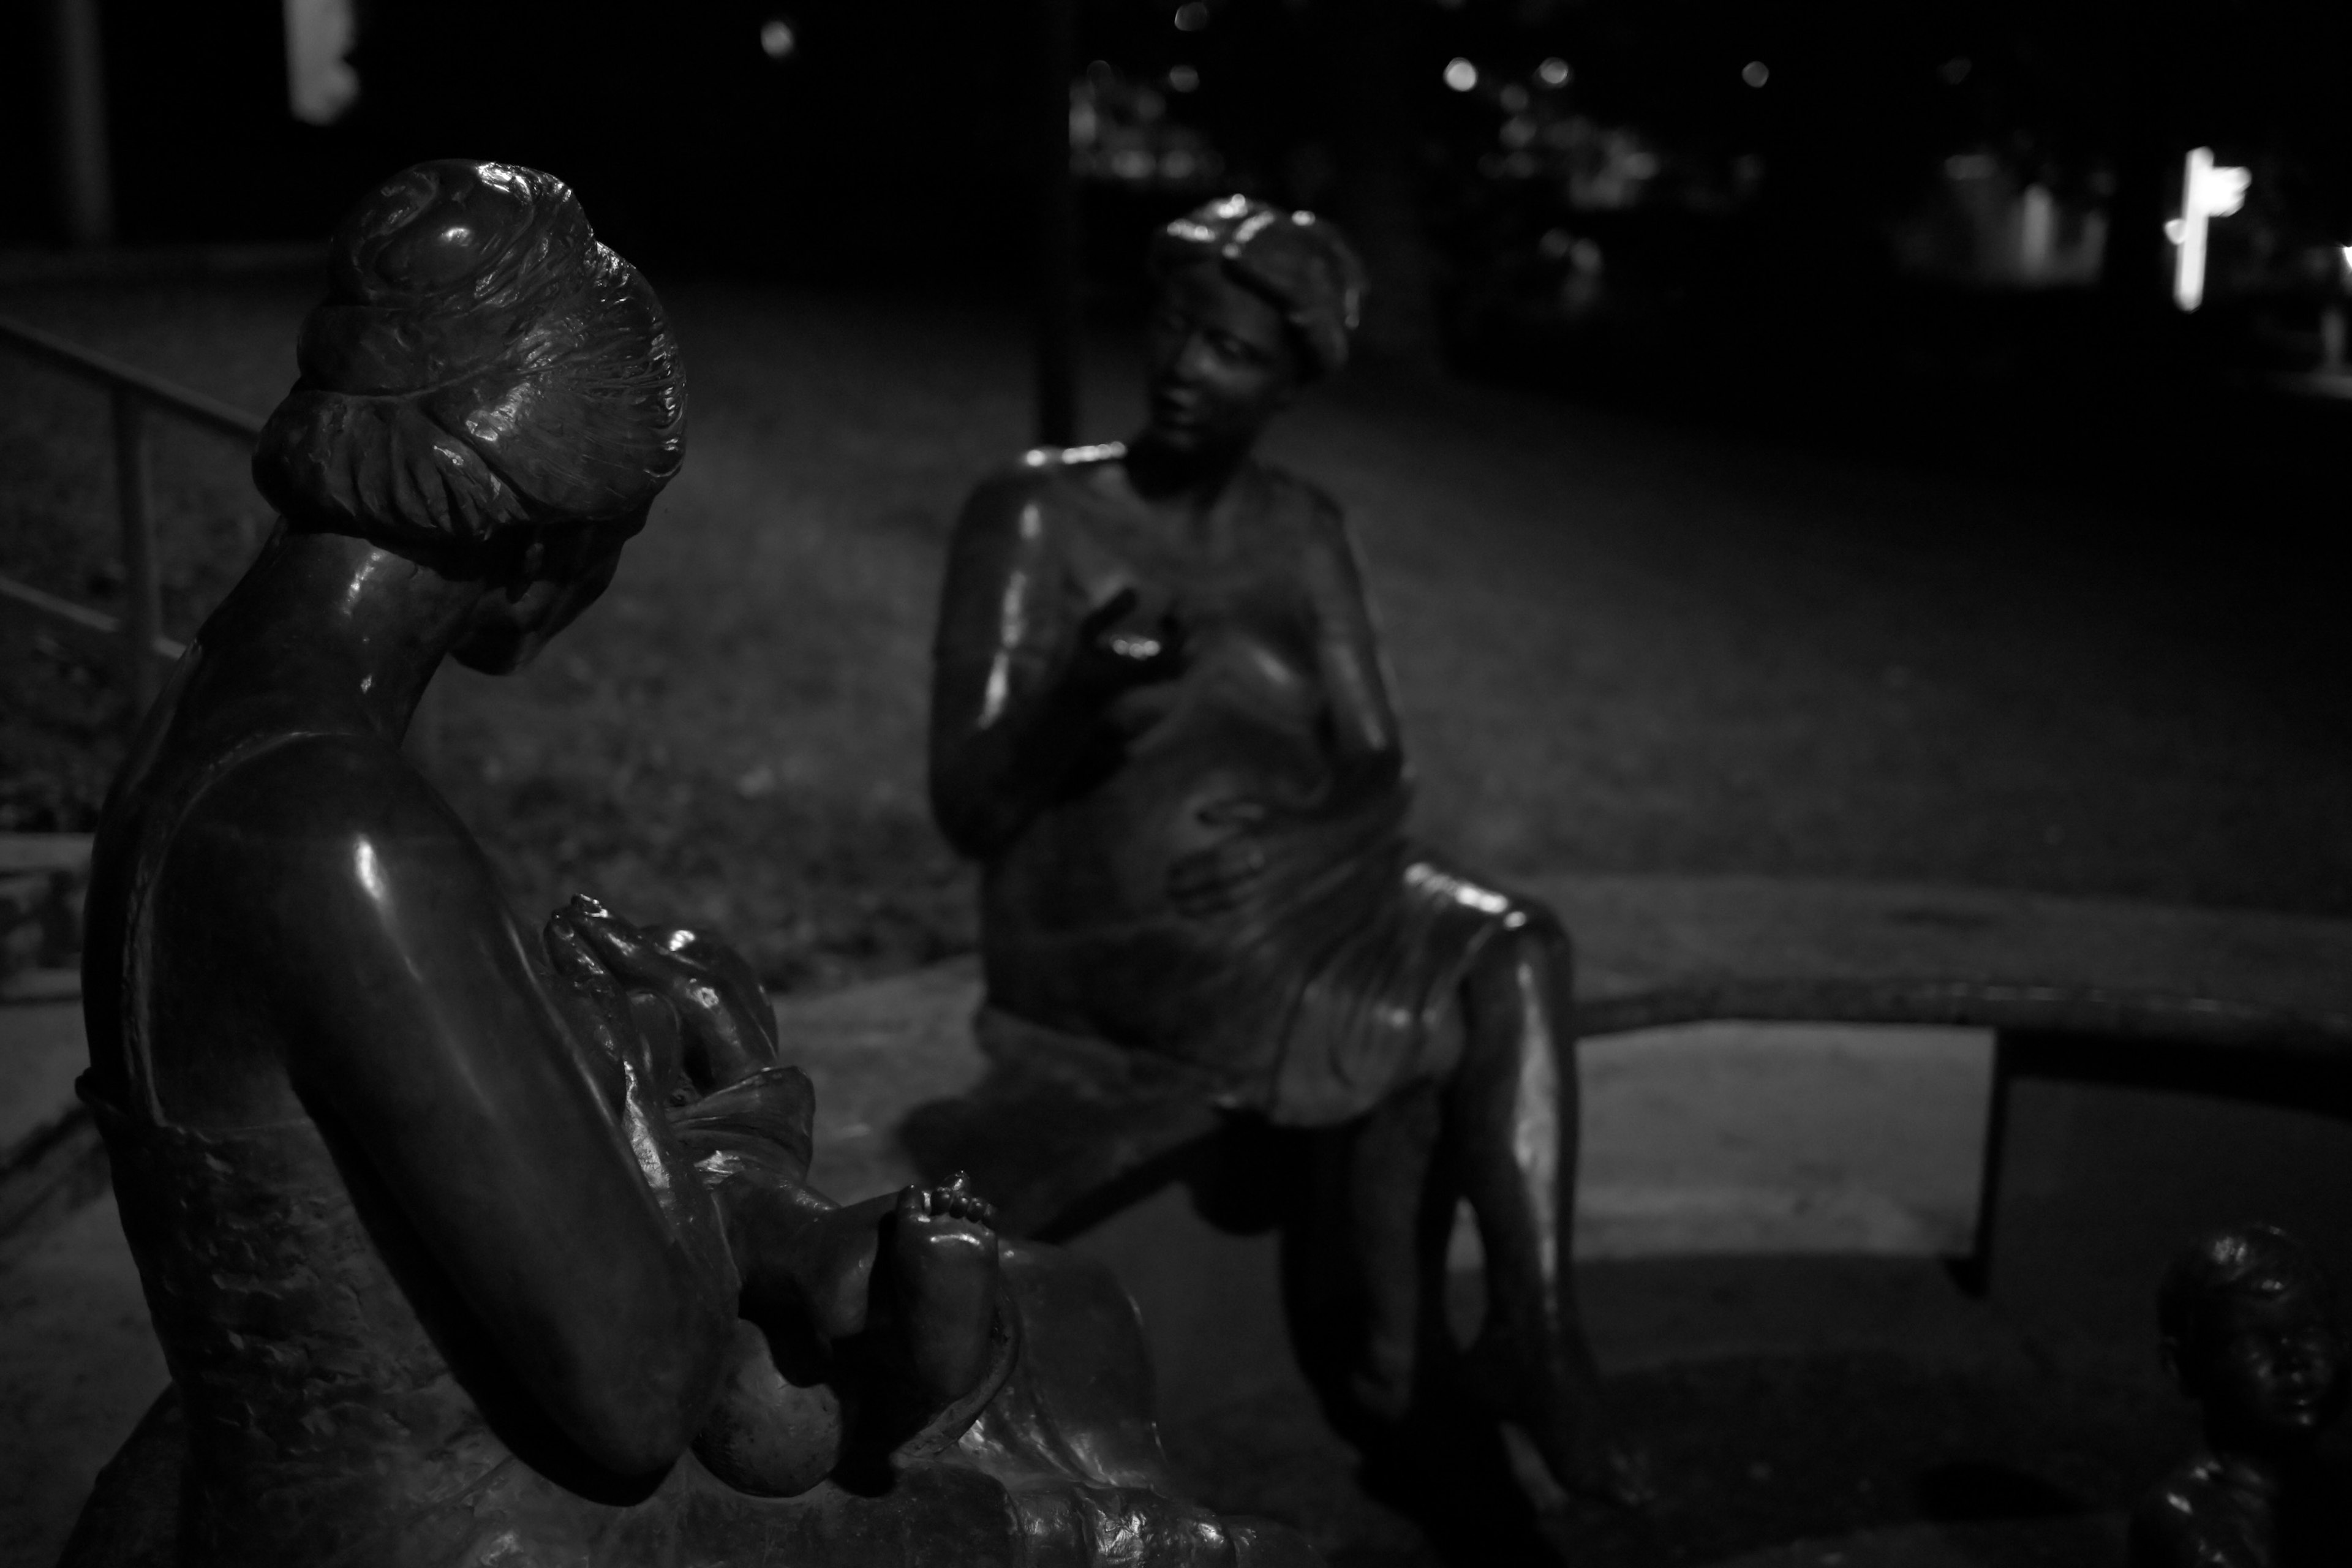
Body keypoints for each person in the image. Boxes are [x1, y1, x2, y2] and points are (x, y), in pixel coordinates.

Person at [67, 160, 1315, 1568]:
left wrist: (584, 1047)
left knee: (1031, 1316)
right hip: (480, 1527)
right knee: (1132, 1507)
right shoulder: (342, 832)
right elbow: (636, 1396)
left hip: (316, 1482)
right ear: (550, 533)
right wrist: (711, 1113)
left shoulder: (199, 740)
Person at [927, 194, 1638, 1506]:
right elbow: (968, 806)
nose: (1191, 368)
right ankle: (1391, 1359)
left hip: (1308, 884)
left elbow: (1380, 760)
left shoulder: (1299, 527)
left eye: (1237, 353)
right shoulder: (1034, 514)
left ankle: (1533, 1339)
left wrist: (1310, 837)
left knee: (1521, 943)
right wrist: (1080, 686)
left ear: (1290, 384)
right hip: (1113, 938)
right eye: (1181, 328)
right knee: (1446, 1026)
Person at [2130, 1224, 2350, 1567]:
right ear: (2182, 1366)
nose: (2293, 1359)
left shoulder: (2329, 1486)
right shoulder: (2185, 1517)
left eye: (2310, 1331)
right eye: (2249, 1342)